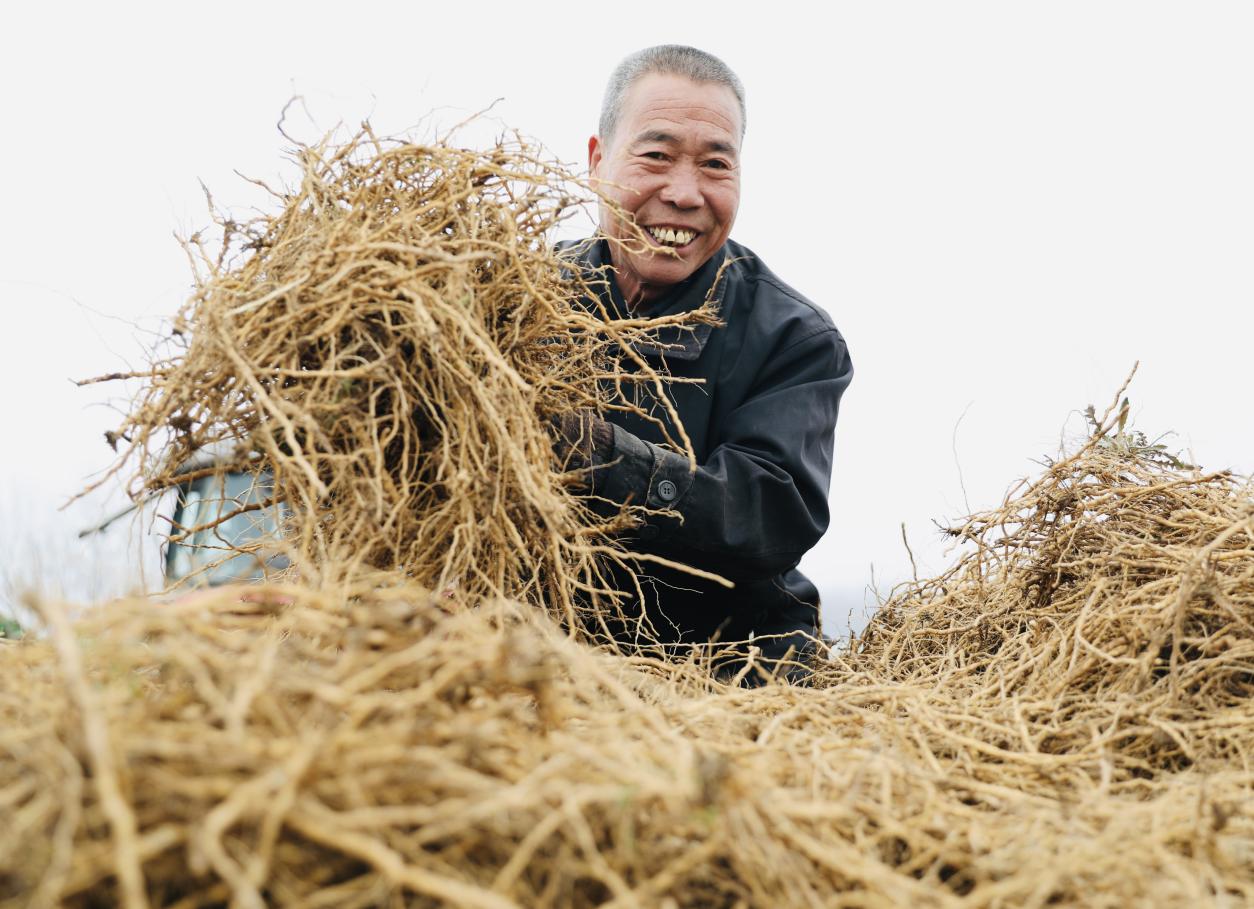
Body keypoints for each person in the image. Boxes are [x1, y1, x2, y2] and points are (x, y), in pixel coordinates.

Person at [552, 45, 853, 685]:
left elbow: (770, 515)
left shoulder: (796, 338)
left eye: (715, 164)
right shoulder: (520, 300)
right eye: (655, 156)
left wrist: (601, 456)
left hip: (726, 664)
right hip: (538, 651)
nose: (685, 194)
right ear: (597, 160)